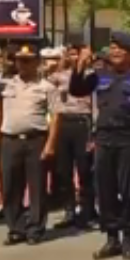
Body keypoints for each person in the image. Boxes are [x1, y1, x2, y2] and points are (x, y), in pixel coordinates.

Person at [68, 33, 130, 260]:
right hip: (104, 139)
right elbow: (76, 90)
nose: (115, 53)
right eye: (112, 48)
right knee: (105, 190)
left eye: (120, 49)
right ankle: (111, 238)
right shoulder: (100, 75)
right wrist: (79, 66)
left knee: (129, 191)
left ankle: (128, 239)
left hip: (129, 139)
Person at [0, 43, 57, 246]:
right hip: (10, 140)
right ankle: (16, 228)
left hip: (36, 140)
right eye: (20, 60)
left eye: (28, 60)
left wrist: (50, 145)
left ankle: (35, 228)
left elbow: (55, 117)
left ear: (37, 62)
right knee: (10, 186)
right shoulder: (6, 84)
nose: (23, 64)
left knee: (37, 187)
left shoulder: (46, 87)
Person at [50, 44, 98, 230]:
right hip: (63, 122)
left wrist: (93, 132)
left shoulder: (92, 75)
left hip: (82, 122)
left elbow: (95, 104)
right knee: (63, 170)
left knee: (85, 169)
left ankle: (87, 211)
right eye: (70, 54)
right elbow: (48, 78)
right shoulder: (60, 75)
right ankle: (69, 210)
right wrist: (63, 60)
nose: (73, 57)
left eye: (76, 55)